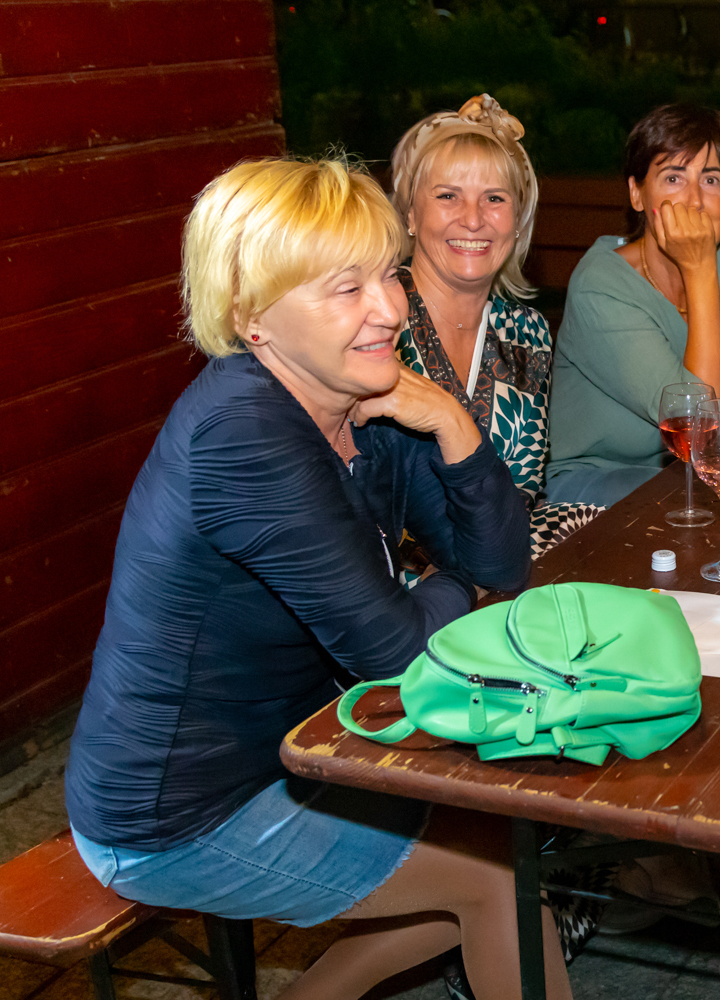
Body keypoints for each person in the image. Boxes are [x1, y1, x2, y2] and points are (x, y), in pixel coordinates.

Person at [62, 158, 572, 1000]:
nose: (390, 309)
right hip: (182, 811)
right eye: (347, 289)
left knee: (494, 849)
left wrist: (451, 420)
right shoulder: (243, 435)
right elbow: (397, 653)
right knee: (498, 883)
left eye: (387, 274)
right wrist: (454, 588)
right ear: (251, 318)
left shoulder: (366, 397)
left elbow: (499, 563)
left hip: (301, 750)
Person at [545, 103, 720, 507]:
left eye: (711, 180)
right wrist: (700, 269)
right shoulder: (601, 286)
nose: (694, 200)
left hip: (715, 475)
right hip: (601, 483)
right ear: (637, 193)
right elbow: (703, 427)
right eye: (673, 177)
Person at [390, 94, 602, 559]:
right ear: (410, 214)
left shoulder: (527, 332)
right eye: (448, 196)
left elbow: (522, 493)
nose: (473, 219)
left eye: (494, 198)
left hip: (500, 559)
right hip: (394, 579)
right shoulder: (374, 318)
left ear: (518, 221)